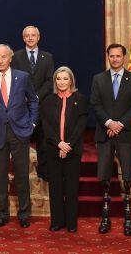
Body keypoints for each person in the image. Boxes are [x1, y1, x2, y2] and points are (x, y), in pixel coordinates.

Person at [90, 43, 131, 236]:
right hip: (104, 133)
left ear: (124, 57)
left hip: (125, 134)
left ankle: (128, 219)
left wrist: (119, 124)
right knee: (104, 173)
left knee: (127, 173)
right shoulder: (98, 79)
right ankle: (106, 218)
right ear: (108, 57)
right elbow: (95, 104)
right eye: (111, 56)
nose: (114, 59)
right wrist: (109, 123)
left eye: (118, 56)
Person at [0, 44, 38, 228]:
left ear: (10, 58)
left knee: (21, 175)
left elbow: (33, 101)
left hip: (20, 132)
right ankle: (3, 214)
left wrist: (32, 123)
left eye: (3, 57)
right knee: (0, 177)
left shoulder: (22, 77)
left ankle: (24, 214)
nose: (0, 60)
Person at [44, 67, 87, 233]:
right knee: (55, 187)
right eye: (58, 79)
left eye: (65, 79)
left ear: (71, 81)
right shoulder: (49, 100)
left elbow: (81, 125)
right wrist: (58, 143)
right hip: (54, 150)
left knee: (71, 187)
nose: (61, 82)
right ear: (55, 81)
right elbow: (46, 126)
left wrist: (67, 144)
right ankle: (57, 221)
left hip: (72, 150)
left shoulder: (80, 99)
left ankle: (71, 223)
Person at [11, 25, 54, 181]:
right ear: (23, 38)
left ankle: (43, 170)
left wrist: (35, 97)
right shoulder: (15, 57)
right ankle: (21, 171)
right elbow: (14, 79)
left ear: (38, 37)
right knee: (21, 141)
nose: (30, 38)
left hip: (42, 105)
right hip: (22, 106)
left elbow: (50, 81)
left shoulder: (47, 57)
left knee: (43, 141)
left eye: (33, 35)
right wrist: (25, 97)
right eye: (27, 36)